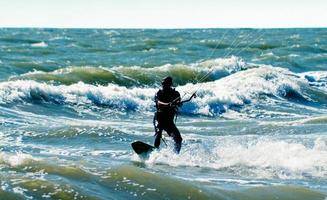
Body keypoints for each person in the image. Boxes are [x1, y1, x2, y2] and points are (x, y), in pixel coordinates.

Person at [153, 76, 187, 153]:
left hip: (169, 120)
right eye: (163, 83)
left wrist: (178, 103)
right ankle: (155, 152)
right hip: (159, 118)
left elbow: (179, 104)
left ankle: (175, 155)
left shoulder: (175, 93)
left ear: (170, 84)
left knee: (178, 139)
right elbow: (159, 103)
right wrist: (167, 104)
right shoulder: (159, 93)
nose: (164, 85)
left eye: (166, 83)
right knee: (159, 133)